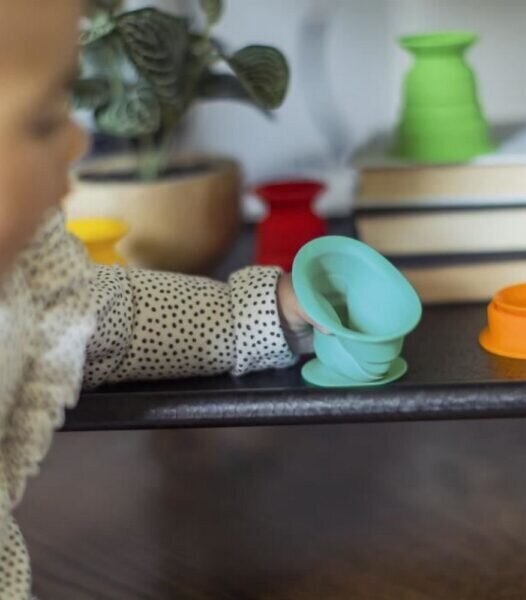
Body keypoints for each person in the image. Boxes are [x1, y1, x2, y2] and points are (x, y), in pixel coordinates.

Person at [0, 2, 316, 597]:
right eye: (42, 122)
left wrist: (258, 312)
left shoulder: (26, 285)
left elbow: (118, 321)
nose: (78, 139)